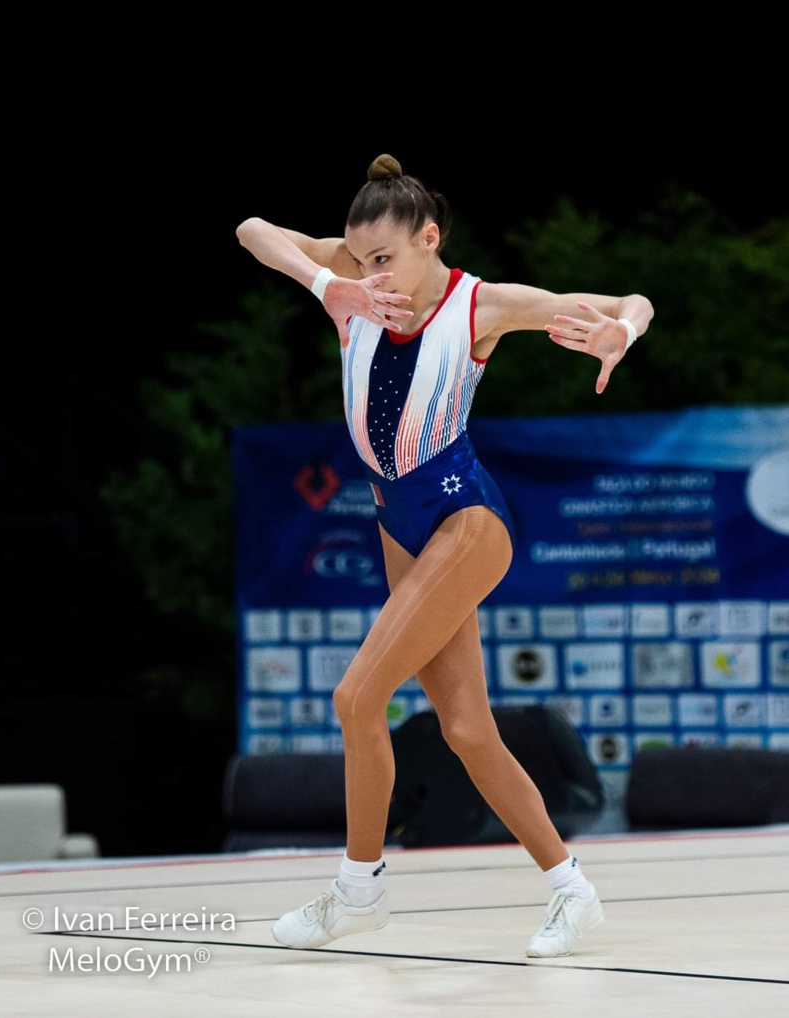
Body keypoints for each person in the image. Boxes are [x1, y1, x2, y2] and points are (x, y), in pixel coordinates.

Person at [236, 153, 654, 957]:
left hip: (465, 518)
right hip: (400, 525)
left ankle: (358, 891)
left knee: (358, 699)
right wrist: (332, 284)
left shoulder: (480, 306)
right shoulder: (354, 293)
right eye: (358, 260)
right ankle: (573, 890)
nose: (371, 275)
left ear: (430, 239)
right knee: (467, 729)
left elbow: (631, 300)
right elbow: (253, 231)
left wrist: (619, 329)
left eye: (384, 258)